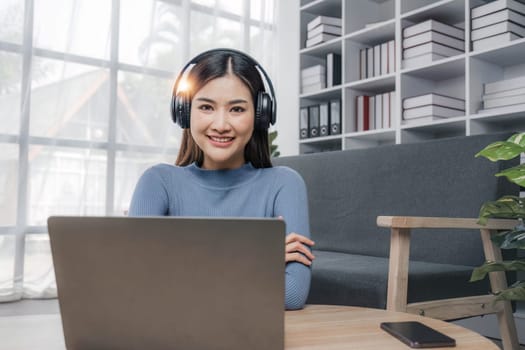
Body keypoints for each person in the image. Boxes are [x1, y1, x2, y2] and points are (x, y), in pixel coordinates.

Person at [128, 48, 315, 310]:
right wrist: (255, 259)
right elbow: (138, 285)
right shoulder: (158, 183)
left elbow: (292, 294)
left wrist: (181, 266)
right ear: (184, 112)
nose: (221, 124)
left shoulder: (284, 184)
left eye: (237, 109)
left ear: (261, 115)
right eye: (206, 107)